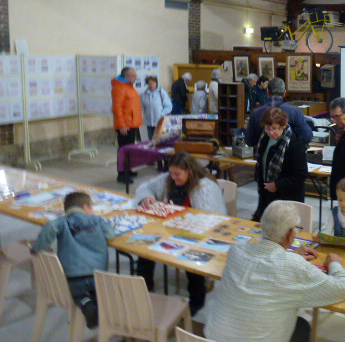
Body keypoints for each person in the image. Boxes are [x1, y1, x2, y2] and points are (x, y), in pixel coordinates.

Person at [204, 200, 345, 342]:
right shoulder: (293, 265)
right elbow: (344, 288)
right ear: (290, 234)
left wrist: (289, 256)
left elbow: (263, 266)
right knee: (302, 326)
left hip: (211, 338)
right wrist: (334, 264)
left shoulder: (237, 249)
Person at [134, 151, 226, 315]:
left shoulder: (205, 187)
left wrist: (181, 228)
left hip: (197, 233)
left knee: (190, 254)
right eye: (171, 173)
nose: (174, 177)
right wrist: (147, 196)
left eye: (177, 174)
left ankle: (197, 300)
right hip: (170, 229)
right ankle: (145, 289)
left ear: (189, 171)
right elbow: (145, 187)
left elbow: (208, 220)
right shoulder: (168, 180)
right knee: (145, 246)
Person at [30, 192, 115, 329]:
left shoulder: (62, 223)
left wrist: (37, 248)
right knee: (100, 292)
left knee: (78, 295)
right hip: (98, 274)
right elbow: (110, 234)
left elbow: (49, 229)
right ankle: (100, 307)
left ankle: (86, 303)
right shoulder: (97, 220)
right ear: (86, 208)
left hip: (74, 276)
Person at [253, 107, 308, 221]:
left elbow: (300, 175)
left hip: (286, 197)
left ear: (283, 126)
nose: (271, 132)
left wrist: (278, 185)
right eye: (268, 128)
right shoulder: (265, 139)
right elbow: (261, 164)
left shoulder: (294, 144)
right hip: (266, 194)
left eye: (275, 128)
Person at [245, 77, 313, 147]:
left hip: (263, 155)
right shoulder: (295, 112)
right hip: (289, 154)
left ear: (268, 92)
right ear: (284, 93)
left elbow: (249, 141)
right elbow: (307, 137)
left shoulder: (256, 113)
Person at [313, 177, 345, 247]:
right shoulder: (334, 212)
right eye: (340, 200)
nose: (343, 203)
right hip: (338, 248)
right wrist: (320, 237)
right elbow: (328, 231)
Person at [112, 66, 143, 184]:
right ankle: (122, 174)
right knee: (123, 150)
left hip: (132, 123)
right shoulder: (120, 88)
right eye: (133, 75)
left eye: (135, 75)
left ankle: (128, 170)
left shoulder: (128, 87)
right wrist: (122, 125)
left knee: (129, 150)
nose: (135, 78)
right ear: (126, 76)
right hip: (125, 125)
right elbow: (117, 108)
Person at [140, 75, 172, 140]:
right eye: (149, 83)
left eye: (153, 83)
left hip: (160, 122)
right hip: (149, 122)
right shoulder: (144, 95)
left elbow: (168, 106)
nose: (151, 85)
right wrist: (142, 117)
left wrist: (161, 114)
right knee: (151, 140)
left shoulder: (162, 93)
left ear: (156, 83)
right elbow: (142, 107)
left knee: (159, 140)